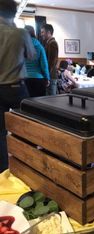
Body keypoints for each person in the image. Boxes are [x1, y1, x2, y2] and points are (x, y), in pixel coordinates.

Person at [0, 0, 35, 172]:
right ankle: (26, 167)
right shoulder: (20, 33)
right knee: (26, 130)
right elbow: (31, 55)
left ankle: (3, 172)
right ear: (14, 14)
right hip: (15, 87)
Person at [24, 25, 50, 97]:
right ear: (33, 33)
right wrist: (47, 78)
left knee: (26, 104)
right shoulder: (40, 46)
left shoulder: (21, 46)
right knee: (39, 104)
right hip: (38, 79)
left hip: (24, 79)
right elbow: (44, 64)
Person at [40, 24, 58, 95]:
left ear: (49, 32)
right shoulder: (48, 43)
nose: (41, 34)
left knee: (51, 100)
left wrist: (47, 76)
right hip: (50, 75)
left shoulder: (52, 43)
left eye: (42, 32)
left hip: (51, 76)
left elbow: (51, 61)